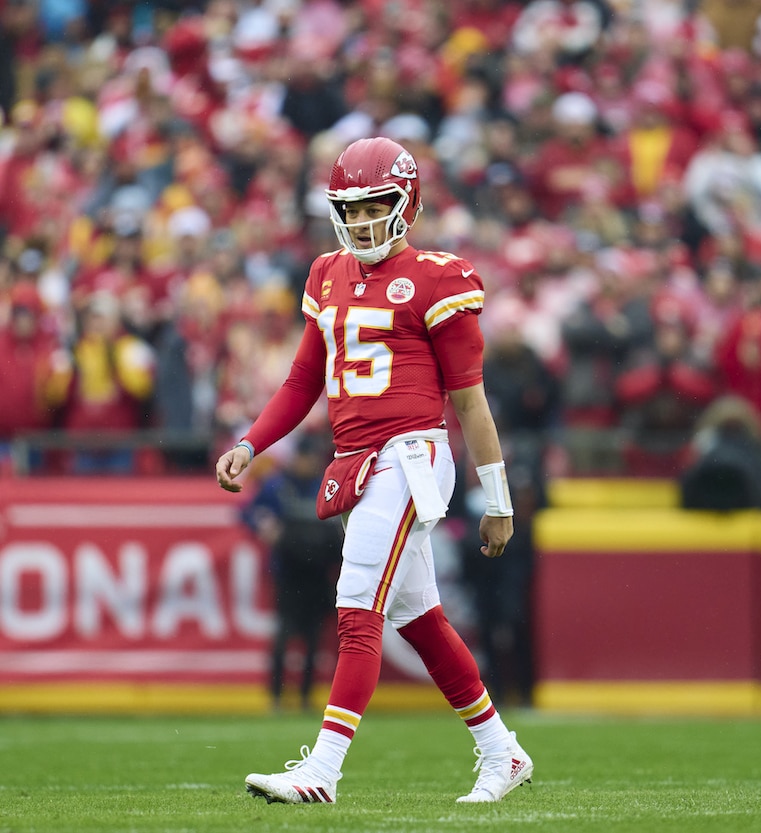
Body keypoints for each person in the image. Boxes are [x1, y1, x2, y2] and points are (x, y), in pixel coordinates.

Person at [215, 137, 532, 805]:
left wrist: (497, 496)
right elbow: (303, 380)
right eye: (349, 209)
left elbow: (470, 401)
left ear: (406, 202)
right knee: (418, 617)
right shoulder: (327, 272)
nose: (361, 222)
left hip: (413, 455)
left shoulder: (440, 278)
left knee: (357, 599)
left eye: (376, 205)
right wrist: (253, 442)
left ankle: (322, 769)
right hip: (360, 461)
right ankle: (501, 750)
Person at [242, 433, 342, 713]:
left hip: (319, 572)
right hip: (288, 573)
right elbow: (247, 512)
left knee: (312, 640)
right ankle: (276, 697)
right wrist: (263, 524)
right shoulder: (277, 485)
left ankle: (305, 698)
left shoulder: (324, 486)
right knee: (284, 637)